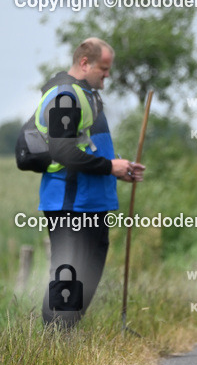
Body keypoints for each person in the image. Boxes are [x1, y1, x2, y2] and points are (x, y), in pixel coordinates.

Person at [35, 38, 144, 328]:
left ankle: (66, 339)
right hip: (70, 204)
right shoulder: (65, 96)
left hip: (94, 203)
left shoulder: (89, 96)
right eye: (103, 69)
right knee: (68, 275)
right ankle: (54, 340)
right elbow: (62, 151)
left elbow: (89, 148)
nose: (107, 75)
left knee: (89, 275)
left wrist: (118, 169)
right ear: (85, 63)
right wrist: (109, 167)